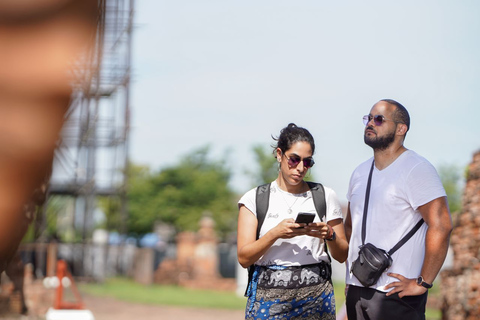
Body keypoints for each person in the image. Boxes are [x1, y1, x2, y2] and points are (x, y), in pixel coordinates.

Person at [344, 99, 453, 320]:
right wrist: (352, 279)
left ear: (401, 129)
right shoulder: (359, 172)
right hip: (357, 290)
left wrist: (423, 282)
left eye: (379, 119)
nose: (370, 123)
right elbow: (350, 227)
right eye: (368, 118)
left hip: (396, 295)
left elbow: (441, 224)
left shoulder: (417, 169)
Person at [237, 123, 348, 320]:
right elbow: (244, 257)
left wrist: (329, 235)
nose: (300, 168)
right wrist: (275, 234)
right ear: (279, 154)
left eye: (307, 162)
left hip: (317, 299)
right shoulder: (254, 199)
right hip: (268, 302)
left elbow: (342, 254)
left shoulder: (325, 196)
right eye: (294, 160)